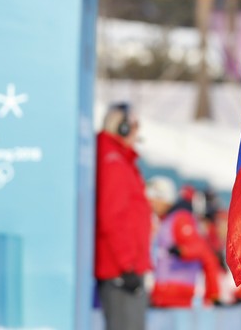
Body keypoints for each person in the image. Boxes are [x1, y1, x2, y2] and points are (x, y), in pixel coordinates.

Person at [94, 102, 152, 330]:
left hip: (127, 267)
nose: (137, 131)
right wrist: (127, 266)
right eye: (134, 125)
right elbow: (112, 217)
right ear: (122, 127)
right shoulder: (114, 162)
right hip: (120, 271)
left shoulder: (120, 160)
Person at [148, 181, 223, 308]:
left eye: (155, 199)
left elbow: (200, 249)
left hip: (177, 291)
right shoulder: (166, 221)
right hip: (164, 291)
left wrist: (181, 251)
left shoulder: (180, 218)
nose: (152, 203)